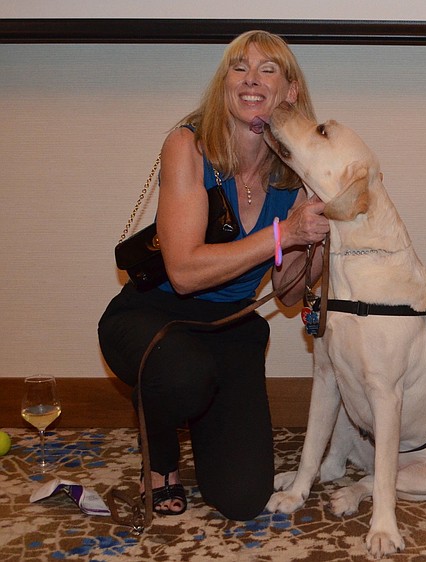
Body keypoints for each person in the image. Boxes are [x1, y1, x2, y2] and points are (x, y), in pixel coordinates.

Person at [98, 30, 329, 520]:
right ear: (225, 84)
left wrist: (320, 235)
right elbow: (183, 272)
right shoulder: (188, 144)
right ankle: (161, 458)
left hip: (229, 326)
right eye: (238, 68)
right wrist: (284, 232)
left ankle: (196, 411)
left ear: (290, 91)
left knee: (243, 499)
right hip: (153, 315)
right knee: (183, 375)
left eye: (267, 69)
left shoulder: (295, 173)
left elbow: (288, 295)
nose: (250, 79)